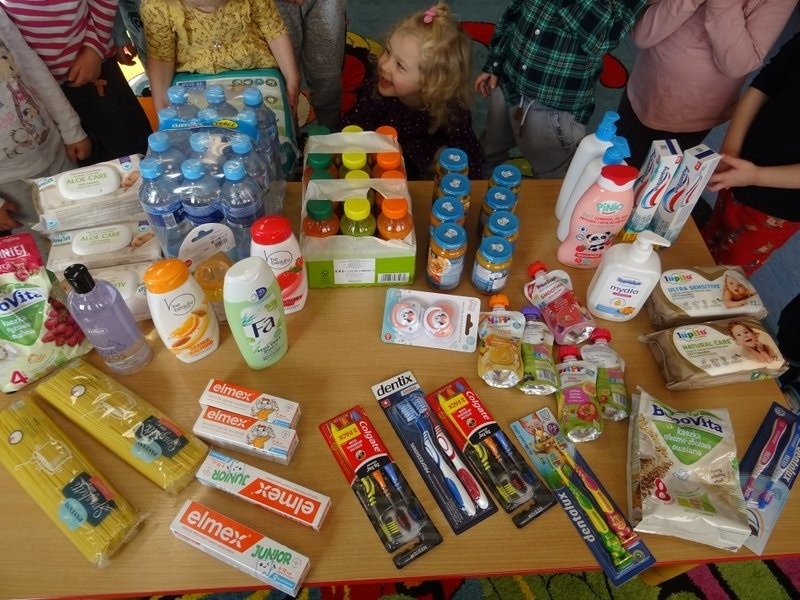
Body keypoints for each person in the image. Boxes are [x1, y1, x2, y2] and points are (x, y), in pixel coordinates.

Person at [473, 0, 648, 179]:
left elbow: (601, 39)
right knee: (487, 151)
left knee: (552, 176)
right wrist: (495, 62)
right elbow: (515, 12)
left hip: (554, 107)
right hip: (508, 83)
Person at [615, 0, 797, 168]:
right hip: (642, 92)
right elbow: (641, 35)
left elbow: (737, 65)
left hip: (692, 117)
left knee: (656, 177)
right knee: (613, 157)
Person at [1, 0, 153, 166]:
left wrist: (94, 48)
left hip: (97, 70)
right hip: (44, 95)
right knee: (87, 162)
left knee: (135, 149)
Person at [340, 2, 482, 180]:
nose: (384, 65)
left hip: (423, 151)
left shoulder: (451, 109)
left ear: (430, 82)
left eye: (400, 65)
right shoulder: (376, 89)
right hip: (386, 151)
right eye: (388, 51)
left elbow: (469, 156)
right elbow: (353, 126)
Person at [702, 30, 800, 277]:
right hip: (739, 169)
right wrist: (731, 150)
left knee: (725, 276)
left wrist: (755, 175)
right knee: (704, 244)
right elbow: (762, 85)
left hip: (778, 206)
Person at [0, 9, 91, 234]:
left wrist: (71, 128)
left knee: (90, 222)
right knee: (47, 245)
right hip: (11, 184)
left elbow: (30, 64)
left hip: (55, 151)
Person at [141, 0, 301, 114]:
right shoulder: (157, 5)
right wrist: (162, 108)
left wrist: (292, 79)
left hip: (255, 69)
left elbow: (274, 31)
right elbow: (161, 56)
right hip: (193, 78)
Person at [276, 0, 346, 131]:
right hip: (274, 7)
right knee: (283, 86)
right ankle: (291, 135)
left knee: (328, 77)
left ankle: (331, 129)